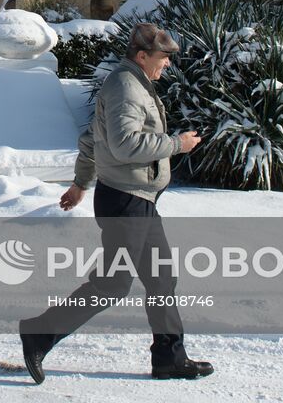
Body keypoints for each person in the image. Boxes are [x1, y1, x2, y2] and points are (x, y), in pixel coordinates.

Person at [17, 21, 214, 384]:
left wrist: (79, 184)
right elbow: (125, 146)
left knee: (161, 278)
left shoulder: (133, 83)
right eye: (163, 58)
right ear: (142, 56)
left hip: (136, 200)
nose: (167, 64)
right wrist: (175, 145)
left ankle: (170, 358)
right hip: (126, 202)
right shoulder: (126, 86)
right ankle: (39, 334)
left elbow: (93, 139)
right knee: (113, 283)